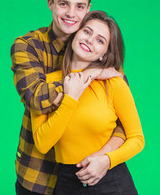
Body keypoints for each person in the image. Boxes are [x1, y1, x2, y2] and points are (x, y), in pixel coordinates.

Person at [11, 0, 127, 195]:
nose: (71, 14)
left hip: (88, 176)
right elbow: (36, 99)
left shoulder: (100, 48)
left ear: (88, 8)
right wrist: (89, 75)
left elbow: (123, 119)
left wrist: (105, 157)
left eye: (79, 6)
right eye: (63, 4)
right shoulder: (28, 46)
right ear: (51, 4)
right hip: (38, 174)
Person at [31, 10, 145, 194]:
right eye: (87, 31)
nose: (90, 40)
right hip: (66, 183)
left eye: (100, 40)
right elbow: (43, 143)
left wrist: (107, 160)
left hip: (110, 180)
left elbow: (137, 138)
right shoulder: (46, 85)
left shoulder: (113, 83)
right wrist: (70, 98)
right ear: (75, 33)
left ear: (103, 54)